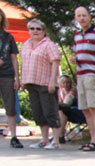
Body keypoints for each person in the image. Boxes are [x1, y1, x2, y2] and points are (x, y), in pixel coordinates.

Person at [19, 19, 61, 149]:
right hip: (31, 82)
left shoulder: (49, 45)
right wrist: (22, 80)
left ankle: (56, 141)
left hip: (45, 83)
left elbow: (55, 62)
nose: (35, 31)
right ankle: (44, 140)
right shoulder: (26, 44)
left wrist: (52, 81)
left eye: (38, 29)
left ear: (43, 31)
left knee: (50, 111)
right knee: (38, 112)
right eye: (32, 28)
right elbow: (23, 63)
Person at [73, 5, 95, 152]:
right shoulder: (76, 35)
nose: (82, 18)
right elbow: (78, 53)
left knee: (94, 108)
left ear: (89, 17)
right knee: (85, 109)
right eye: (79, 16)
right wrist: (75, 59)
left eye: (84, 15)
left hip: (93, 74)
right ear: (76, 18)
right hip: (81, 75)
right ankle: (91, 139)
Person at [0, 8, 23, 148]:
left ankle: (14, 136)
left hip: (7, 75)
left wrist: (17, 78)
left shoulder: (8, 37)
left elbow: (14, 58)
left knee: (10, 106)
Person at [56, 74, 78, 142]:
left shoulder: (73, 90)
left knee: (68, 98)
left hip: (74, 109)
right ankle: (59, 135)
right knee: (59, 112)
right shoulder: (61, 92)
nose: (66, 85)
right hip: (64, 110)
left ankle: (59, 135)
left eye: (67, 83)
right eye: (63, 83)